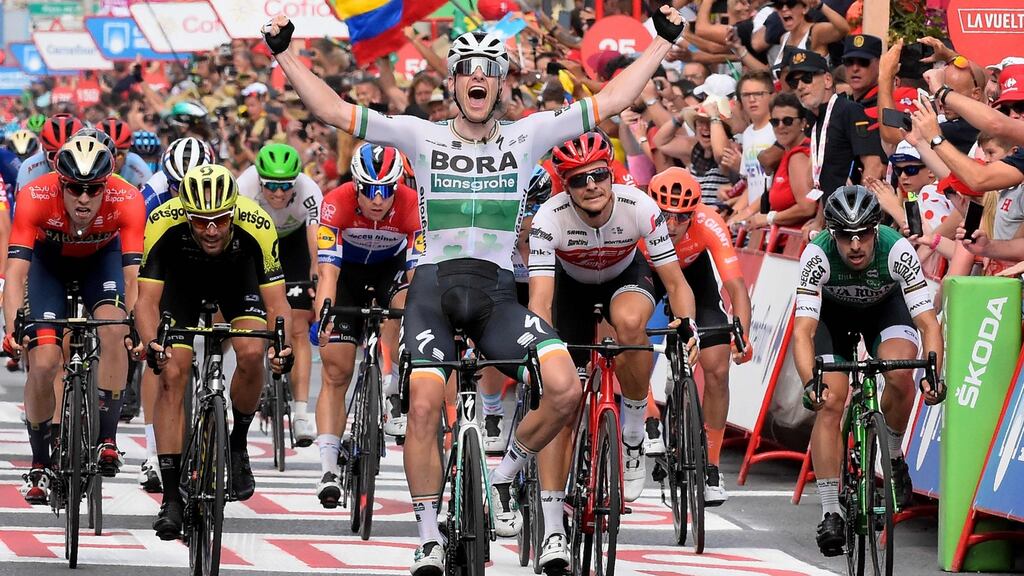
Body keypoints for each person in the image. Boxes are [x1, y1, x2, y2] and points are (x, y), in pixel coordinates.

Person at [264, 5, 689, 573]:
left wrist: (660, 44)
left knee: (564, 387)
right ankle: (427, 537)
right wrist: (285, 53)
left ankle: (507, 473)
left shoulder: (528, 134)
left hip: (494, 295)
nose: (478, 79)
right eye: (467, 70)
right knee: (420, 405)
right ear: (453, 83)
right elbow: (332, 109)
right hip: (434, 290)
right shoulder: (419, 135)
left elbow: (611, 101)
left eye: (489, 70)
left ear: (502, 84)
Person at [527, 133, 698, 570]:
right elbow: (541, 302)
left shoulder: (640, 207)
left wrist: (690, 326)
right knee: (561, 401)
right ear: (566, 186)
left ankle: (634, 429)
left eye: (599, 174)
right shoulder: (551, 217)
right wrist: (541, 352)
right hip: (569, 291)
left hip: (625, 278)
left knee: (628, 323)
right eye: (579, 179)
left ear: (612, 173)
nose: (592, 185)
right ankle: (551, 529)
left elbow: (675, 283)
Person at [134, 164, 293, 540]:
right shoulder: (162, 221)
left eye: (221, 220)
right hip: (181, 285)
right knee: (172, 373)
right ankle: (171, 498)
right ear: (185, 212)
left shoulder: (256, 223)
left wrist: (282, 347)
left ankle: (237, 447)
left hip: (238, 281)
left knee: (253, 352)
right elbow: (146, 301)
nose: (211, 229)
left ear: (233, 212)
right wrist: (151, 341)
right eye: (201, 220)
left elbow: (277, 303)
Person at [793, 185, 945, 557]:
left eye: (863, 235)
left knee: (899, 373)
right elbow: (803, 332)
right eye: (845, 236)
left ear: (876, 231)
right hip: (833, 317)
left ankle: (892, 459)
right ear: (832, 234)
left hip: (884, 309)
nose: (855, 245)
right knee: (829, 402)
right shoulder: (817, 255)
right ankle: (830, 511)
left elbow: (928, 325)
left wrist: (933, 373)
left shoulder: (897, 250)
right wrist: (810, 382)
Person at [3, 135, 145, 503]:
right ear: (59, 182)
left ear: (107, 184)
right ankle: (38, 462)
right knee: (46, 360)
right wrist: (11, 327)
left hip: (103, 262)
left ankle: (108, 438)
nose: (84, 198)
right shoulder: (34, 196)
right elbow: (16, 273)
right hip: (49, 267)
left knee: (116, 331)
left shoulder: (127, 198)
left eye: (94, 189)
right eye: (75, 189)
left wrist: (135, 326)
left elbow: (134, 278)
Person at [310, 143, 420, 508]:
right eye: (369, 190)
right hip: (347, 276)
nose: (377, 199)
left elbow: (416, 274)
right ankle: (327, 467)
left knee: (404, 303)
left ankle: (391, 382)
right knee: (336, 370)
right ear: (355, 184)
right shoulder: (335, 202)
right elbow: (328, 272)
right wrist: (323, 314)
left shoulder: (412, 205)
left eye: (386, 190)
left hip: (391, 271)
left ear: (398, 186)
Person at [645, 166, 753, 502]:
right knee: (630, 336)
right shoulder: (636, 220)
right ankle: (648, 418)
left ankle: (711, 467)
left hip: (693, 276)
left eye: (682, 217)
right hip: (646, 273)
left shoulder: (708, 222)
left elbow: (735, 285)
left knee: (718, 369)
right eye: (666, 216)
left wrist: (742, 334)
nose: (674, 225)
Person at [237, 143, 322, 446]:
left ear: (295, 181)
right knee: (258, 326)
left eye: (285, 185)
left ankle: (300, 412)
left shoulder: (310, 190)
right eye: (271, 185)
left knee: (298, 326)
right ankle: (258, 378)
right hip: (256, 245)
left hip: (294, 245)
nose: (277, 193)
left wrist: (315, 274)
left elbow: (315, 243)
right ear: (259, 180)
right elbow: (237, 240)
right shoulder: (243, 187)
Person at [786, 49, 885, 233]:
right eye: (794, 82)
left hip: (854, 222)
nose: (800, 86)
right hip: (835, 220)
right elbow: (828, 178)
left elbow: (874, 166)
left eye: (807, 78)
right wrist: (819, 221)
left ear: (827, 80)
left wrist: (855, 216)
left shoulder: (848, 110)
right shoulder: (816, 120)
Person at [742, 92, 815, 229]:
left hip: (797, 245)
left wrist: (769, 218)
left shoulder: (798, 157)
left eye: (787, 121)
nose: (780, 126)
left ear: (803, 123)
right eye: (775, 122)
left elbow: (807, 207)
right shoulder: (788, 154)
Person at [17, 114, 83, 194]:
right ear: (43, 150)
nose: (61, 161)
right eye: (53, 155)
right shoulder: (29, 167)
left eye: (69, 155)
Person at [98, 117, 153, 189]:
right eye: (106, 154)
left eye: (119, 155)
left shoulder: (140, 169)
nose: (113, 160)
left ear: (127, 153)